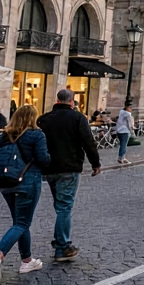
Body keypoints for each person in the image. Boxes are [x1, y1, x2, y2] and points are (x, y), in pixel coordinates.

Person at [0, 104, 52, 281]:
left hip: (5, 182)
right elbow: (43, 159)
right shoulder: (37, 134)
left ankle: (27, 260)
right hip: (27, 181)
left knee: (20, 222)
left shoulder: (7, 134)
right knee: (22, 222)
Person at [37, 88, 100, 262]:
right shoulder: (78, 118)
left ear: (57, 100)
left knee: (60, 205)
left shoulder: (44, 119)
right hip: (69, 167)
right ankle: (62, 247)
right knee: (64, 207)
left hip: (49, 168)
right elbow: (88, 141)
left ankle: (62, 244)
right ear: (71, 101)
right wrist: (95, 163)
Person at [114, 100, 134, 165]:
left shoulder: (121, 112)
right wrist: (132, 130)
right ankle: (121, 157)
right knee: (124, 144)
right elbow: (129, 124)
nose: (131, 109)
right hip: (125, 131)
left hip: (119, 130)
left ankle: (123, 157)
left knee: (122, 144)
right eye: (130, 108)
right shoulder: (128, 114)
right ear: (128, 108)